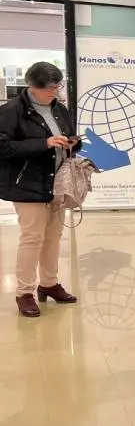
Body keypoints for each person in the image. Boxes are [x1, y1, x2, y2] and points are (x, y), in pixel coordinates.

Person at [0, 62, 81, 317]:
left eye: (58, 87)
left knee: (53, 238)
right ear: (32, 87)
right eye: (49, 88)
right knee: (32, 239)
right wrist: (43, 143)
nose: (55, 92)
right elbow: (4, 148)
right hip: (26, 184)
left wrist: (72, 143)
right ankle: (24, 292)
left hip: (57, 183)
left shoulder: (61, 110)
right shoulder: (11, 111)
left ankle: (49, 284)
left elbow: (69, 136)